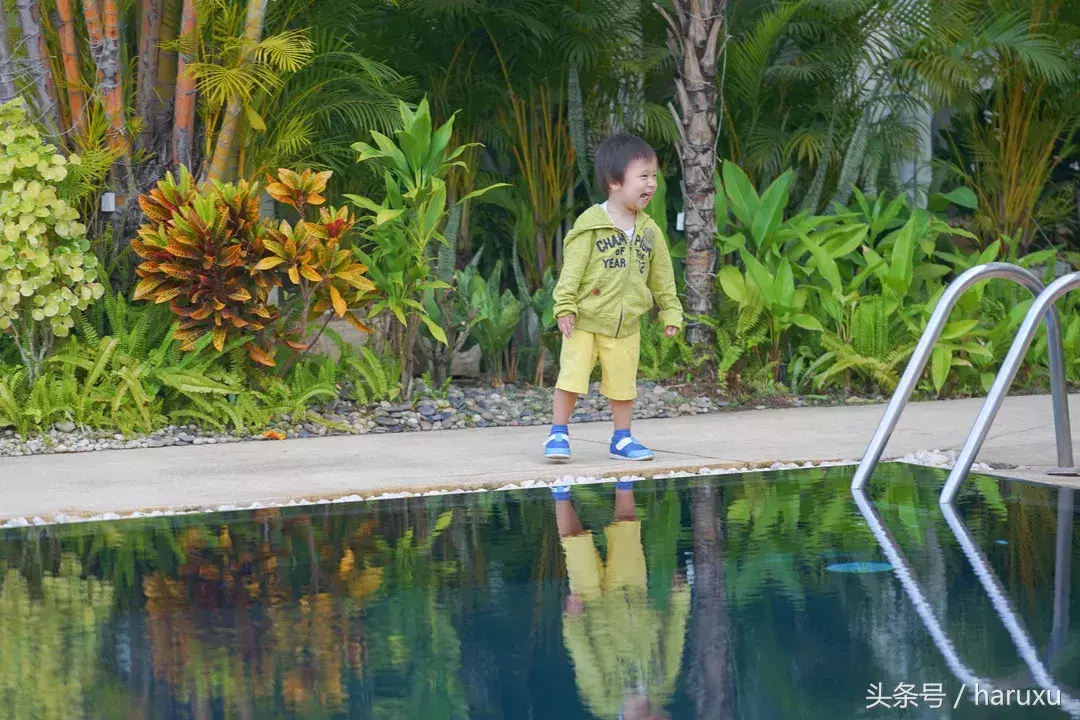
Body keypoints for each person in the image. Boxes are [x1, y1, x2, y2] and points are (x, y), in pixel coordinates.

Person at [545, 133, 683, 463]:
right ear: (614, 182)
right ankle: (558, 433)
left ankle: (622, 439)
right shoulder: (590, 225)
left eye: (654, 176)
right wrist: (564, 306)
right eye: (643, 176)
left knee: (623, 385)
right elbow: (571, 270)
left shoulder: (650, 231)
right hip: (584, 321)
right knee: (572, 378)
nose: (651, 184)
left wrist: (671, 310)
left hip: (626, 325)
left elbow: (662, 277)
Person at [552, 481, 690, 720]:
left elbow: (585, 661)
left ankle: (560, 492)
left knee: (575, 543)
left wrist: (574, 624)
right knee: (627, 528)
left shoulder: (604, 702)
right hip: (632, 596)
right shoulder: (661, 687)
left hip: (592, 607)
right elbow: (674, 637)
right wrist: (679, 596)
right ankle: (624, 481)